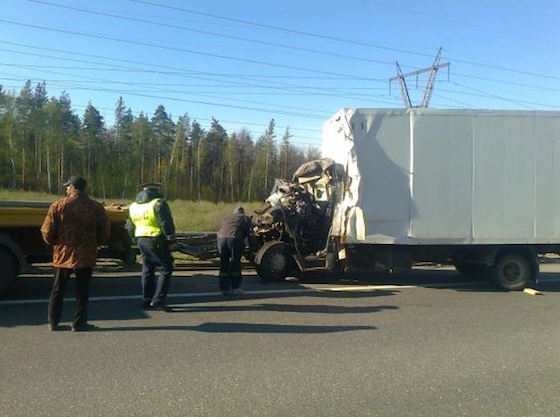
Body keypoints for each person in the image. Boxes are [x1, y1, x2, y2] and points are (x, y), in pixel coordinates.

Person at [41, 175, 110, 332]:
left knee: (58, 289)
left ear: (73, 188)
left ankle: (54, 322)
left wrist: (55, 244)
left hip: (63, 255)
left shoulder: (58, 205)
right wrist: (96, 243)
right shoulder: (96, 207)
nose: (66, 189)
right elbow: (105, 231)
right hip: (86, 254)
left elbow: (47, 230)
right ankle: (79, 323)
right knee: (82, 291)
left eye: (67, 186)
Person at [127, 183, 176, 310]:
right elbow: (166, 222)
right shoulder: (158, 203)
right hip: (156, 238)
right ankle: (158, 300)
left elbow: (130, 225)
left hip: (141, 239)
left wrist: (133, 239)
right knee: (166, 267)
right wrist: (171, 239)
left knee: (147, 268)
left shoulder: (134, 206)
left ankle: (146, 299)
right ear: (155, 191)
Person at [217, 206, 251, 295]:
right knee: (235, 262)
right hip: (234, 239)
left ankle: (224, 289)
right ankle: (235, 288)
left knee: (224, 263)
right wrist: (250, 247)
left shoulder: (227, 217)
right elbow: (248, 234)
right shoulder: (245, 218)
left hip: (220, 239)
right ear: (243, 212)